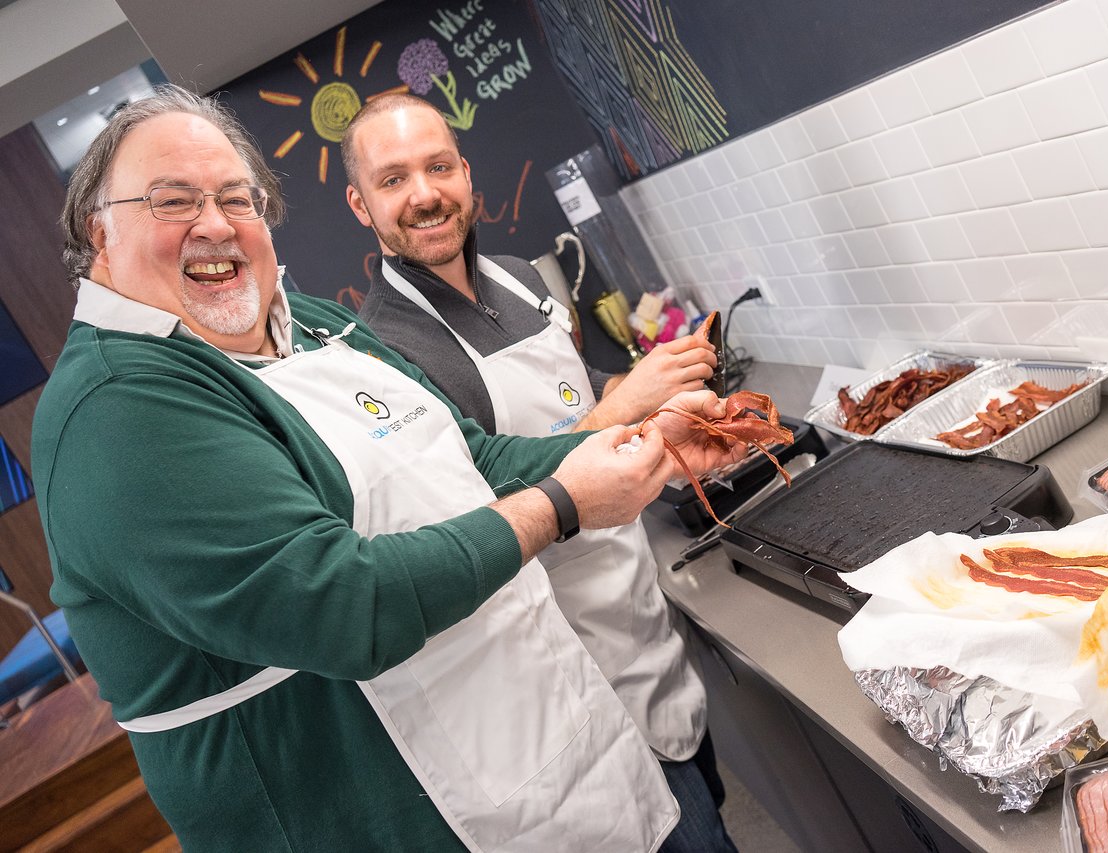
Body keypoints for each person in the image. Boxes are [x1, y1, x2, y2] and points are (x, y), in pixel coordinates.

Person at [32, 85, 747, 853]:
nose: (215, 224)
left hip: (570, 759)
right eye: (174, 201)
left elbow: (476, 457)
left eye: (237, 197)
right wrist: (562, 502)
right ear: (95, 233)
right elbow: (337, 602)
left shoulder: (315, 322)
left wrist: (650, 442)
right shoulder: (119, 406)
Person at [341, 93, 736, 853]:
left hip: (647, 624)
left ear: (465, 171)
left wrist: (662, 414)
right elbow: (475, 523)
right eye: (393, 180)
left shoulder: (523, 279)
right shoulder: (383, 355)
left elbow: (580, 402)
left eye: (437, 165)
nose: (424, 193)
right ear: (361, 205)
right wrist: (626, 409)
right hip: (578, 690)